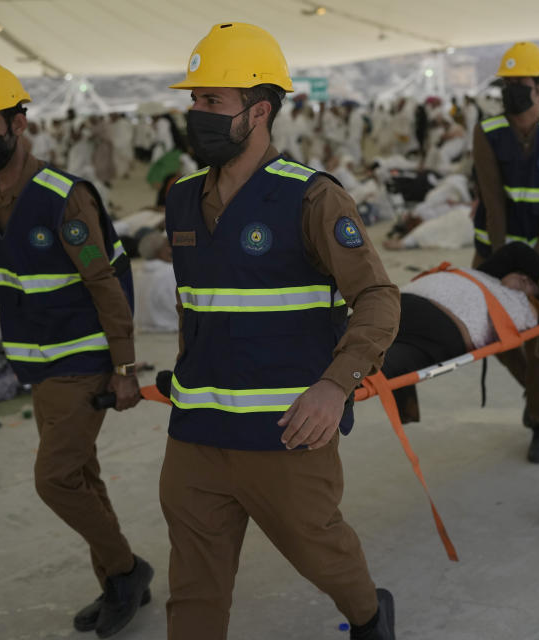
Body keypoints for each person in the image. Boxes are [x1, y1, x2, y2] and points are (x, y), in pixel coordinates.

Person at [160, 23, 400, 640]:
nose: (195, 113)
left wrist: (335, 387)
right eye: (194, 100)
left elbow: (376, 297)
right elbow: (197, 307)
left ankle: (371, 616)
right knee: (192, 589)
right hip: (196, 433)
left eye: (212, 101)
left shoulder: (312, 198)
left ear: (258, 111)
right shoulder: (182, 199)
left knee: (321, 553)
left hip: (286, 431)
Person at [0, 61, 153, 637]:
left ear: (20, 123)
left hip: (82, 362)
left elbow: (104, 284)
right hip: (39, 368)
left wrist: (124, 369)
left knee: (55, 480)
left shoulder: (62, 198)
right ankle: (117, 583)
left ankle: (126, 571)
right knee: (81, 475)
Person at [471, 42, 539, 463]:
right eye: (507, 84)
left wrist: (536, 262)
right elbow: (493, 202)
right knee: (489, 335)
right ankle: (536, 393)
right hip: (493, 254)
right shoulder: (488, 132)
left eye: (521, 84)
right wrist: (506, 266)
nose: (513, 91)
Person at [382, 242, 539, 425]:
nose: (525, 279)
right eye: (523, 274)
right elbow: (516, 250)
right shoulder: (484, 274)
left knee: (377, 367)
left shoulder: (527, 309)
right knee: (359, 334)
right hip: (400, 303)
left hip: (442, 329)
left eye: (531, 285)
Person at [133, 231, 177, 333]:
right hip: (168, 331)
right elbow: (176, 306)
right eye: (167, 246)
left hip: (144, 332)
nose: (171, 250)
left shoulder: (139, 273)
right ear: (159, 251)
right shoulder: (169, 271)